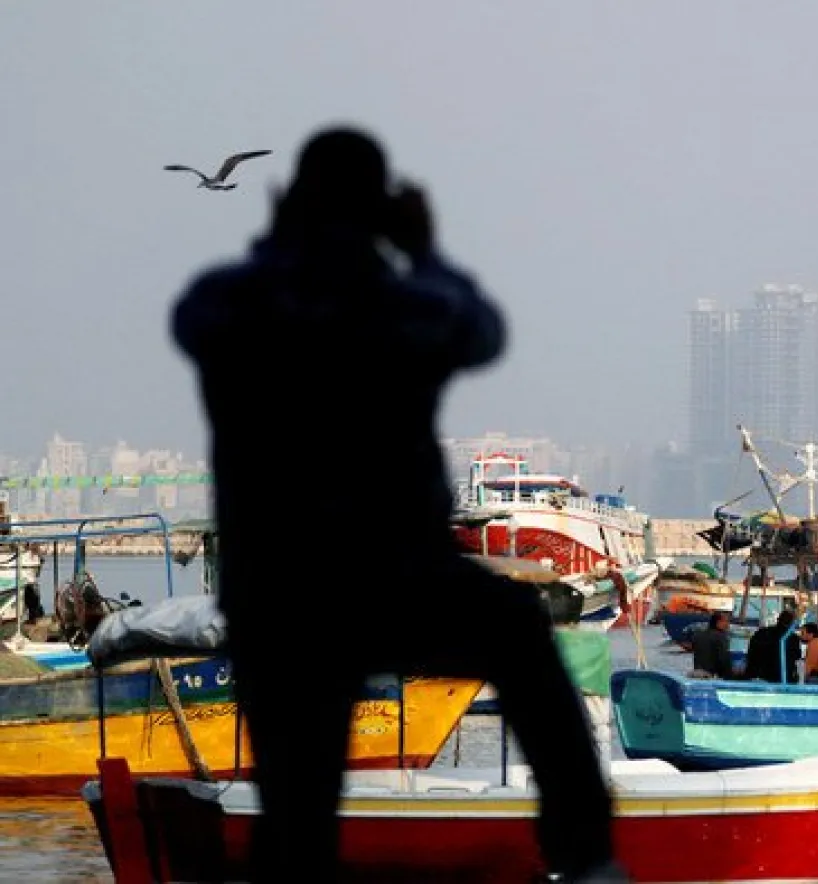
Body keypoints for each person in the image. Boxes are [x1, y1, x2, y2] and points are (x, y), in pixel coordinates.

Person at [170, 126, 623, 883]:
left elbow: (193, 320)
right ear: (383, 215)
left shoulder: (230, 304)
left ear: (289, 204)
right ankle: (587, 857)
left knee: (297, 808)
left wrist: (285, 242)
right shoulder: (407, 308)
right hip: (400, 581)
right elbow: (484, 330)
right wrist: (424, 249)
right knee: (519, 630)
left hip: (281, 596)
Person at [744, 610, 801, 683]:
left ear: (778, 620)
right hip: (780, 677)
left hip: (757, 675)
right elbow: (796, 657)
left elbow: (750, 652)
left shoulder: (761, 632)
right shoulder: (792, 638)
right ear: (791, 623)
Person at [689, 611, 735, 679]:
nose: (728, 624)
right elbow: (723, 660)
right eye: (726, 621)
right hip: (709, 677)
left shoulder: (697, 635)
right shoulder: (721, 637)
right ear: (717, 622)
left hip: (695, 674)